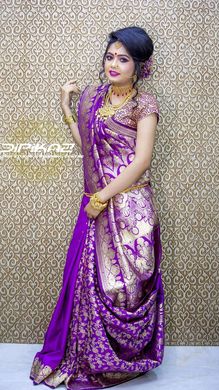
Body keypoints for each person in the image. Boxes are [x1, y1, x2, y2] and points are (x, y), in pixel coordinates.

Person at [29, 25, 165, 389]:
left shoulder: (144, 104)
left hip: (130, 209)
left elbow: (142, 160)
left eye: (123, 59)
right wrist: (67, 110)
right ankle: (89, 354)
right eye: (110, 57)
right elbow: (89, 147)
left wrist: (104, 197)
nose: (114, 64)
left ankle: (127, 359)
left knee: (126, 288)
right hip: (96, 205)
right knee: (86, 284)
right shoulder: (94, 96)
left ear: (139, 66)